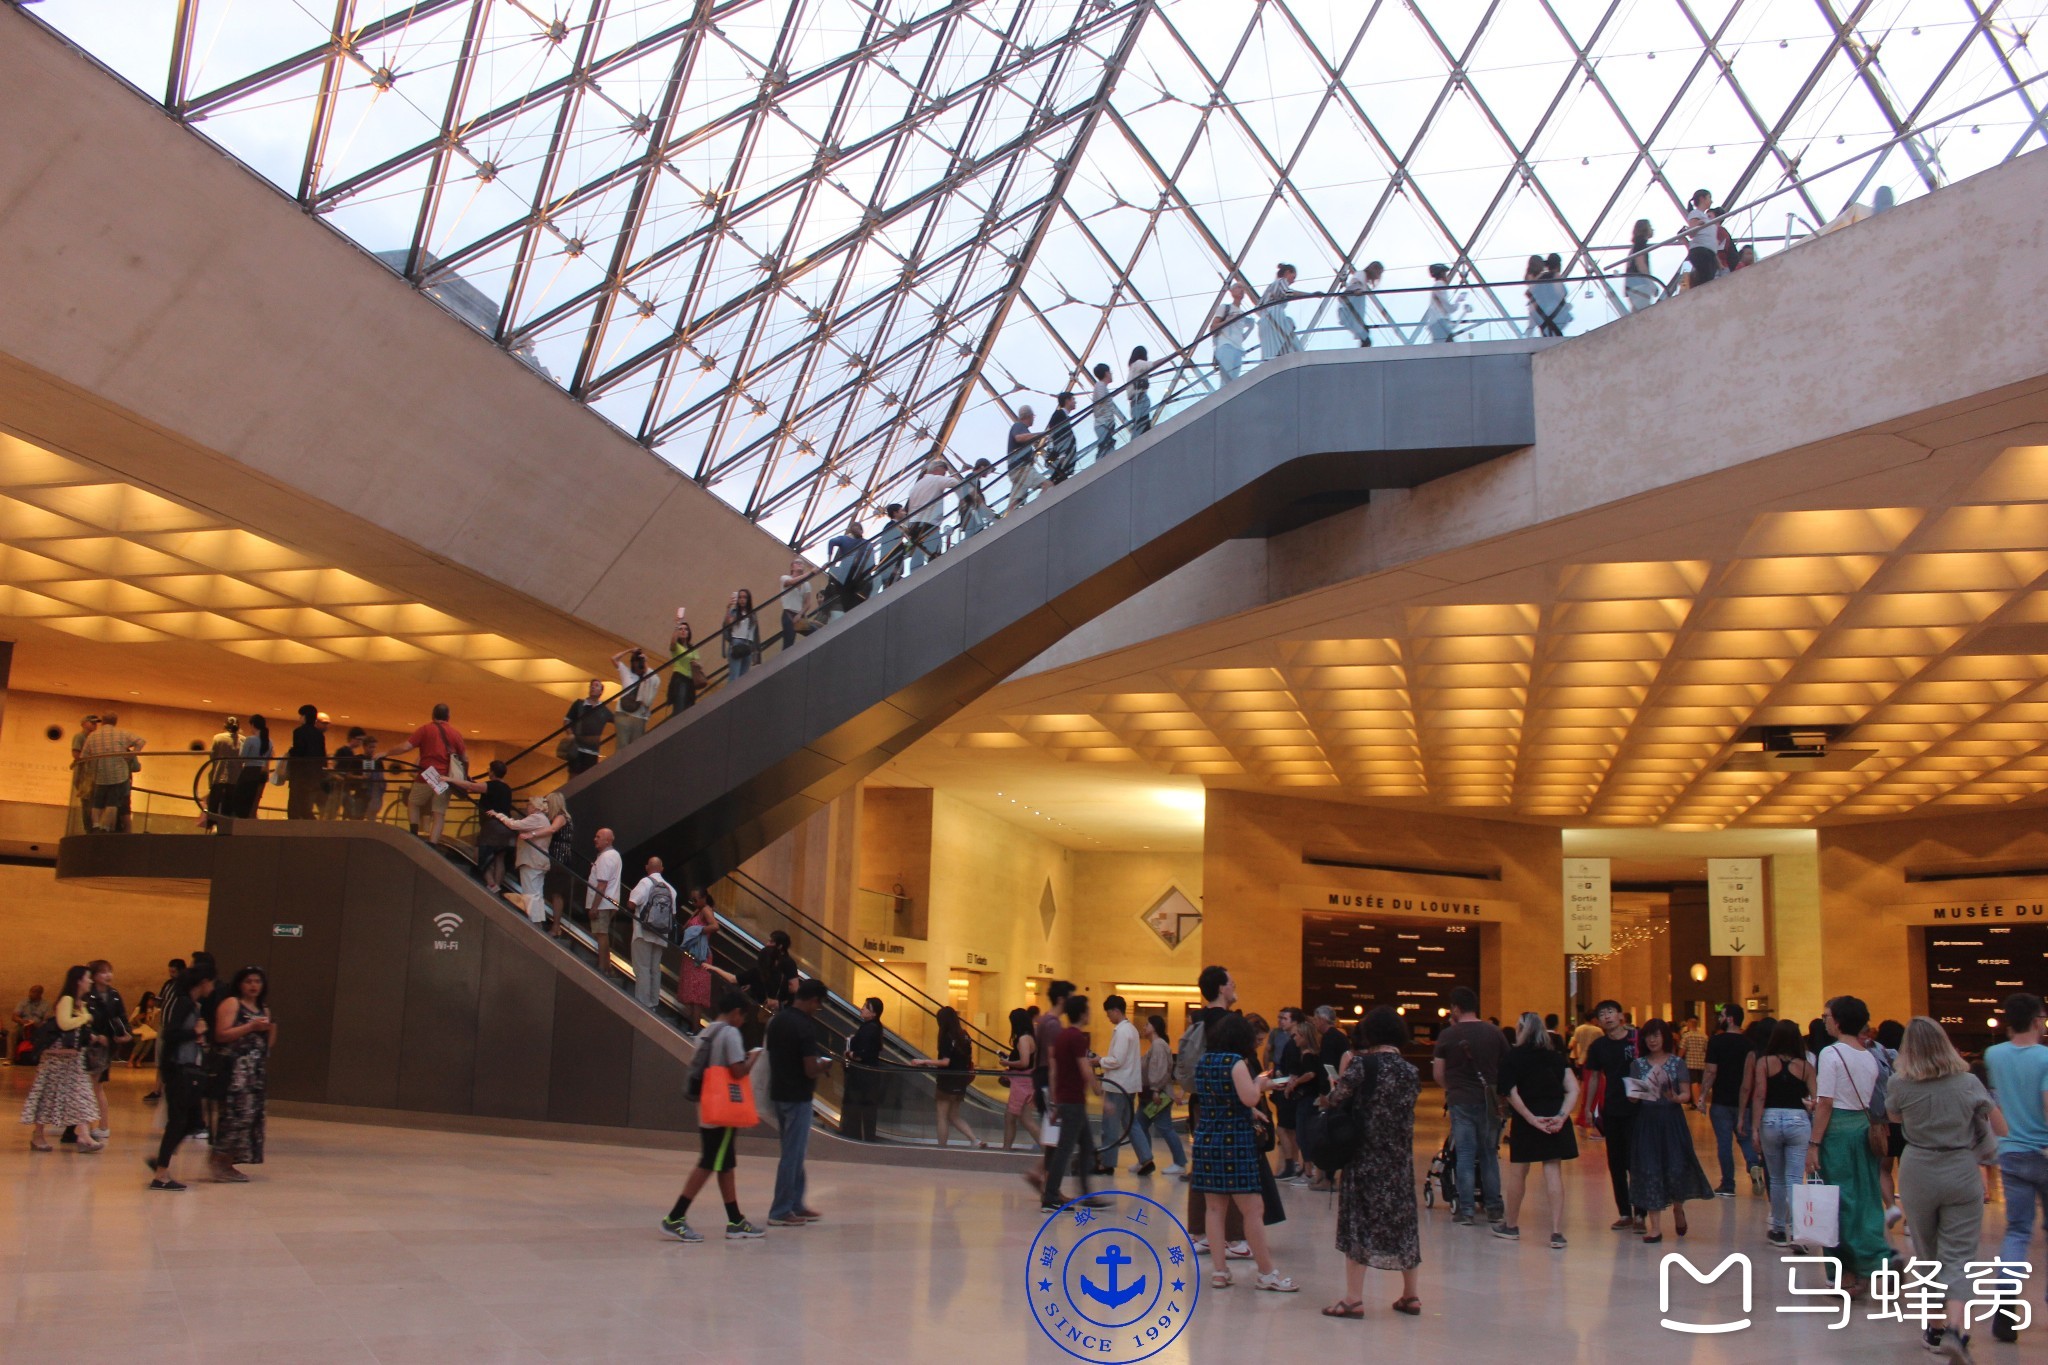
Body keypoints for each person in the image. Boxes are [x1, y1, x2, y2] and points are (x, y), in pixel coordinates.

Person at [1890, 1017, 2005, 1363]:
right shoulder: (1967, 1082)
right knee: (1959, 1255)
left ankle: (1935, 1328)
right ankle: (1955, 1328)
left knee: (1927, 1252)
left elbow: (1894, 1118)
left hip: (1918, 1168)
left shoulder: (1899, 1083)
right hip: (1960, 1167)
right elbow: (2001, 1126)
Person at [1324, 1004, 1420, 1317]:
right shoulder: (1411, 1071)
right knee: (1404, 1223)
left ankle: (1353, 1299)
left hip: (1364, 1157)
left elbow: (1337, 1099)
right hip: (1399, 1159)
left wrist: (1334, 1088)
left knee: (1358, 1223)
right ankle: (1411, 1295)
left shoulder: (1363, 1065)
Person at [1193, 1012, 1296, 1292]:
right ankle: (1266, 1272)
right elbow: (1249, 1096)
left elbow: (1219, 1099)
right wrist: (1260, 1084)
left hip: (1207, 1140)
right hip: (1234, 1143)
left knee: (1215, 1209)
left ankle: (1219, 1271)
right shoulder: (1235, 1062)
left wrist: (1249, 1103)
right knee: (1253, 1209)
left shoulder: (1204, 1061)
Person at [1805, 994, 1893, 1289]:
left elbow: (1827, 1103)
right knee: (1864, 1198)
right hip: (1863, 1129)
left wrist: (1814, 1144)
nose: (1824, 1021)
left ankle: (1848, 1273)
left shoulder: (1831, 1053)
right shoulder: (1868, 1055)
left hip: (1837, 1133)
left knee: (1836, 1202)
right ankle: (1871, 1261)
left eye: (1827, 1016)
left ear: (1839, 1021)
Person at [662, 992, 767, 1241]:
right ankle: (675, 1217)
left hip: (708, 1105)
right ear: (736, 1013)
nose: (743, 1022)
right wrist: (753, 1057)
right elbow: (738, 1071)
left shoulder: (706, 1032)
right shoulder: (730, 1033)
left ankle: (735, 1220)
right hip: (724, 1108)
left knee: (724, 1164)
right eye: (743, 1017)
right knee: (710, 1162)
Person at [1985, 992, 2048, 1343]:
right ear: (2037, 1020)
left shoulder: (1994, 1055)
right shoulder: (2045, 1058)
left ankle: (2006, 1308)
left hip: (2010, 1151)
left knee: (2018, 1231)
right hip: (2043, 1151)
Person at [1178, 965, 1248, 1255]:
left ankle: (1199, 1232)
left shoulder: (1197, 1021)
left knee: (1202, 1164)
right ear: (1221, 988)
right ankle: (1234, 1237)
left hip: (1201, 1099)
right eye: (1231, 981)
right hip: (1228, 1104)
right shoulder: (1230, 1023)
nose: (1234, 985)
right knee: (1233, 1165)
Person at [1498, 1012, 1579, 1247]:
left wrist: (1530, 1118)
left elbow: (1510, 1092)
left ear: (1521, 1030)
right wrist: (1562, 1116)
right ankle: (1556, 1231)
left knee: (1518, 1172)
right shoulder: (1555, 1057)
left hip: (1527, 1119)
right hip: (1553, 1118)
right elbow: (1573, 1089)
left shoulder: (1513, 1057)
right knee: (1553, 1171)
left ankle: (1511, 1225)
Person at [1628, 1018, 1712, 1242]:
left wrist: (1675, 1097)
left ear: (1664, 1037)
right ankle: (1655, 1228)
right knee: (1649, 1169)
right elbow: (1633, 1097)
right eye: (1648, 1036)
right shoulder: (1638, 1064)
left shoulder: (1677, 1063)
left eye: (1656, 1035)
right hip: (1647, 1122)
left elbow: (1686, 1094)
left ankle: (1678, 1207)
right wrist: (1634, 1095)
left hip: (1671, 1121)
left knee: (1675, 1167)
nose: (1652, 1040)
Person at [1431, 986, 1506, 1226]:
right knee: (1488, 1154)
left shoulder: (1447, 1035)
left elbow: (1438, 1073)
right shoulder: (1494, 1033)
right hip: (1489, 1101)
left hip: (1460, 1100)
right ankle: (1494, 1208)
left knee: (1464, 1154)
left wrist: (1452, 1088)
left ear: (1455, 1008)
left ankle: (1466, 1210)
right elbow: (1506, 1067)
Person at [765, 978, 833, 1226]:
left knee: (793, 1150)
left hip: (779, 1092)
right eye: (818, 1004)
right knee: (793, 1155)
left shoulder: (777, 1021)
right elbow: (809, 1068)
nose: (817, 1009)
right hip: (798, 1096)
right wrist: (824, 1065)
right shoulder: (804, 1026)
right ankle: (781, 1210)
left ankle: (796, 1203)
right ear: (813, 1000)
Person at [147, 961, 217, 1190]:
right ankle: (161, 1173)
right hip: (180, 1069)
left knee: (192, 1121)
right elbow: (171, 1034)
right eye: (211, 982)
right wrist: (195, 1032)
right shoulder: (184, 1003)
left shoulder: (191, 1004)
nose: (213, 987)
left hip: (186, 1068)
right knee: (178, 1121)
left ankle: (162, 1160)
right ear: (203, 982)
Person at [1749, 1018, 1816, 1245]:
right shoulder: (1806, 1067)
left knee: (1776, 1178)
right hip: (1798, 1120)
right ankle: (1798, 1232)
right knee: (1795, 1178)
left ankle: (1778, 1229)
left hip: (1770, 1118)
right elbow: (1815, 1099)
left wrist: (1755, 1128)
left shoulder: (1764, 1063)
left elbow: (1759, 1095)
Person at [21, 966, 102, 1151]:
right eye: (88, 978)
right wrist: (86, 1018)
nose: (90, 981)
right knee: (48, 1095)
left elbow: (78, 1028)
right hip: (57, 1059)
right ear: (78, 980)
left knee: (81, 1094)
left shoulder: (81, 1003)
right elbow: (64, 1024)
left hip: (74, 1058)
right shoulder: (67, 1000)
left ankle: (84, 1136)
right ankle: (38, 1135)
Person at [1582, 999, 1644, 1228]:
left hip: (1638, 1108)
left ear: (1620, 1015)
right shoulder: (1599, 1046)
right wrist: (1588, 1107)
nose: (1606, 1017)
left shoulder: (1636, 1039)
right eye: (1602, 1014)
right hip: (1612, 1108)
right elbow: (1594, 1077)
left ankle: (1641, 1212)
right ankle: (1625, 1212)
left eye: (1610, 1012)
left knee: (1635, 1161)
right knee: (1616, 1162)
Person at [1040, 994, 1105, 1210]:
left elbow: (1055, 1070)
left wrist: (1055, 1101)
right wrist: (1099, 1093)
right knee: (1065, 1149)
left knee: (1086, 1146)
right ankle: (1050, 1196)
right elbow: (1085, 1069)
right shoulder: (1077, 1038)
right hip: (1073, 1102)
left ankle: (1085, 1194)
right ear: (1083, 1013)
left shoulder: (1061, 1036)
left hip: (1067, 1100)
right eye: (1088, 1010)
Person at [208, 966, 272, 1182]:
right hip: (235, 1070)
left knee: (250, 1118)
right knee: (233, 1116)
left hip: (255, 1072)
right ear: (240, 984)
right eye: (249, 981)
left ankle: (230, 1162)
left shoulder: (263, 1009)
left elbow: (267, 1043)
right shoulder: (232, 1003)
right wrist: (250, 1027)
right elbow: (221, 1034)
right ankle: (219, 1161)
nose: (253, 986)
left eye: (257, 981)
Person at [1699, 1003, 1763, 1196]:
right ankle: (1753, 1165)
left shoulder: (1716, 1041)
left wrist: (1702, 1095)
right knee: (1745, 1137)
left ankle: (1728, 1184)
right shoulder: (1749, 1044)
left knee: (1724, 1143)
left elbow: (1711, 1071)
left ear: (1730, 1019)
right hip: (1744, 1101)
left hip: (1721, 1100)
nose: (1719, 1018)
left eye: (1722, 1015)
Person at [386, 703, 466, 845]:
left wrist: (386, 753)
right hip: (444, 778)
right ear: (448, 717)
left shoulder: (425, 730)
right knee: (438, 813)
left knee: (413, 802)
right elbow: (465, 759)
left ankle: (414, 832)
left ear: (432, 715)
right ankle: (432, 844)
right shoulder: (456, 734)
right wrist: (464, 778)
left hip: (426, 775)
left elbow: (405, 747)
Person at [1086, 994, 1141, 1173]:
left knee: (1110, 1125)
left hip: (1118, 1085)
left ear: (1116, 1011)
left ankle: (1107, 1163)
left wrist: (1099, 1061)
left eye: (1109, 1013)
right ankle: (1146, 1157)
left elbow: (1117, 1060)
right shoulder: (1131, 1029)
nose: (1108, 1017)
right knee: (1130, 1123)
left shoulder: (1122, 1031)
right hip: (1129, 1084)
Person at [919, 1005, 980, 1147]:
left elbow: (945, 1061)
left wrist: (924, 1061)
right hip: (961, 1080)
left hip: (947, 1080)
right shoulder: (965, 1035)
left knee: (942, 1116)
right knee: (954, 1115)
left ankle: (942, 1147)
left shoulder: (947, 1037)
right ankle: (975, 1140)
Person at [82, 959, 130, 1142]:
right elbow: (83, 1021)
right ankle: (86, 1126)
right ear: (94, 976)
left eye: (110, 971)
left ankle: (102, 1126)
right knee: (90, 1086)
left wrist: (126, 1034)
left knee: (97, 1085)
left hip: (105, 1047)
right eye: (103, 972)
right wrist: (94, 1035)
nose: (108, 975)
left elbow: (122, 1018)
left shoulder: (114, 995)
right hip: (89, 1045)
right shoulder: (87, 995)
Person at [1135, 1012, 1186, 1175]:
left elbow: (1160, 1069)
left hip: (1157, 1095)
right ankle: (1145, 1159)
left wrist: (1156, 1090)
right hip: (1148, 1094)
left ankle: (1179, 1162)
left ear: (1154, 1027)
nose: (1144, 1027)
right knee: (1140, 1126)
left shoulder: (1158, 1045)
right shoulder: (1156, 1045)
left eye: (1147, 1024)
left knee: (1165, 1128)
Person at [79, 710, 145, 832]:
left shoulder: (92, 736)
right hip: (118, 775)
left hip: (99, 775)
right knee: (112, 803)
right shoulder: (122, 734)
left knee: (97, 802)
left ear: (103, 721)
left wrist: (91, 767)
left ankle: (95, 825)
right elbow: (141, 741)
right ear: (115, 722)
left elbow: (84, 757)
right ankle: (106, 827)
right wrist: (131, 755)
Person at [493, 795, 554, 925]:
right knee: (537, 894)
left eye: (529, 805)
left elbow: (514, 825)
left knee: (530, 894)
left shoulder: (535, 818)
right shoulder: (544, 819)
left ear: (535, 806)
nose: (527, 807)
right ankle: (538, 923)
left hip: (531, 861)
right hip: (540, 861)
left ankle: (533, 923)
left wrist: (499, 815)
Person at [626, 857, 677, 1011]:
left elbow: (631, 904)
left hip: (643, 932)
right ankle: (653, 1004)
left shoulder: (645, 883)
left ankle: (642, 1004)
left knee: (642, 968)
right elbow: (673, 914)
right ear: (662, 869)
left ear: (647, 867)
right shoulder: (671, 889)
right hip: (661, 936)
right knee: (655, 969)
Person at [463, 760, 516, 893]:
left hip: (491, 826)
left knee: (479, 855)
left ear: (492, 772)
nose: (488, 771)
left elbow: (471, 786)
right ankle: (497, 887)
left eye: (489, 769)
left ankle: (492, 884)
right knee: (499, 858)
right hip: (506, 826)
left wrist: (448, 779)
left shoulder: (491, 786)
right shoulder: (507, 788)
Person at [841, 997, 886, 1142]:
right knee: (868, 1109)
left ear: (874, 1013)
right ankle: (867, 1136)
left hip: (861, 1075)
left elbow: (861, 1054)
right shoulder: (876, 1028)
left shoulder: (868, 1029)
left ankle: (854, 1135)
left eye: (866, 1007)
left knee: (856, 1105)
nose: (862, 1008)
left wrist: (849, 1053)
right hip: (870, 1074)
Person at [903, 462, 956, 571]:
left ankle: (915, 576)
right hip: (929, 524)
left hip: (913, 525)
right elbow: (954, 483)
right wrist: (952, 475)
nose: (944, 475)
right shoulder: (936, 479)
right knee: (935, 556)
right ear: (937, 468)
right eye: (944, 472)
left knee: (917, 555)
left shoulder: (916, 486)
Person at [584, 827, 622, 974]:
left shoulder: (606, 857)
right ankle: (607, 965)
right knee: (602, 933)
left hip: (602, 903)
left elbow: (602, 884)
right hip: (609, 901)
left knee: (601, 934)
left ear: (607, 840)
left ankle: (603, 967)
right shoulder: (614, 855)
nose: (595, 839)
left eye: (598, 837)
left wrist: (594, 907)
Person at [1001, 1006, 1040, 1150]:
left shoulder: (1023, 1039)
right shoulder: (1031, 1037)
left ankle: (1006, 1149)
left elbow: (1024, 1062)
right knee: (1026, 1119)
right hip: (1029, 1080)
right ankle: (1047, 1149)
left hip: (1021, 1083)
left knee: (1010, 1117)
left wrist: (1007, 1063)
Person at [282, 704, 326, 820]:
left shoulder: (299, 732)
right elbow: (322, 755)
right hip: (313, 775)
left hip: (299, 774)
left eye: (301, 716)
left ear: (304, 717)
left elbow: (298, 751)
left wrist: (291, 751)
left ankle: (293, 827)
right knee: (306, 806)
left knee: (294, 805)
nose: (299, 718)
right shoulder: (319, 735)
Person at [821, 524, 871, 622]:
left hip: (846, 573)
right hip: (856, 575)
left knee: (840, 592)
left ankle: (827, 613)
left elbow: (831, 542)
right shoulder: (864, 543)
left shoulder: (845, 539)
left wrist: (830, 561)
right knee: (849, 595)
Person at [611, 648, 659, 747]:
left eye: (639, 661)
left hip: (639, 716)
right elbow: (614, 659)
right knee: (622, 746)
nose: (637, 664)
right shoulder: (626, 671)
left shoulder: (648, 676)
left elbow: (655, 680)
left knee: (635, 747)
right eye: (635, 661)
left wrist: (645, 661)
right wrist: (629, 651)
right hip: (623, 713)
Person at [564, 679, 612, 775]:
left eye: (596, 685)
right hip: (577, 748)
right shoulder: (579, 704)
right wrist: (571, 735)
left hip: (592, 751)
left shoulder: (604, 710)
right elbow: (567, 720)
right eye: (591, 685)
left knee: (588, 777)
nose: (593, 687)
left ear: (601, 691)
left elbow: (616, 721)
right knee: (574, 775)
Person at [1208, 280, 1254, 381]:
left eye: (1243, 288)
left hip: (1238, 349)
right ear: (1231, 292)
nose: (1241, 290)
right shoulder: (1225, 308)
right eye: (1238, 287)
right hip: (1226, 346)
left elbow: (1240, 337)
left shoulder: (1242, 314)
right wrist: (1229, 320)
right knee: (1227, 380)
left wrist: (1250, 328)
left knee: (1233, 382)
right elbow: (1213, 327)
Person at [230, 713, 271, 819]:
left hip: (249, 771)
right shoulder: (270, 741)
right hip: (262, 773)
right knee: (254, 801)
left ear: (252, 725)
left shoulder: (250, 740)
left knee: (241, 798)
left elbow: (243, 757)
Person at [1256, 264, 1300, 360]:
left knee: (1271, 348)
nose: (1293, 281)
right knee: (1289, 342)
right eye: (1293, 277)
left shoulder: (1271, 287)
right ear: (1287, 272)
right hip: (1274, 314)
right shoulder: (1281, 281)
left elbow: (1258, 307)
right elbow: (1287, 292)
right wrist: (1310, 294)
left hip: (1264, 319)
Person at [1005, 406, 1044, 512]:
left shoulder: (1020, 428)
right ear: (1029, 416)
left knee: (1015, 502)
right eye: (1033, 416)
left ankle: (1008, 519)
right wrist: (1039, 435)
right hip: (1021, 468)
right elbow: (1019, 437)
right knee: (1047, 486)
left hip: (1015, 470)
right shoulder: (1019, 426)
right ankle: (1039, 509)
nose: (1033, 418)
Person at [747, 930, 799, 1010]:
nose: (767, 944)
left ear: (780, 946)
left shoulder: (788, 962)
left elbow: (794, 987)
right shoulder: (767, 957)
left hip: (772, 1003)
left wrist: (775, 986)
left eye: (771, 942)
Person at [204, 715, 240, 828]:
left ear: (225, 725)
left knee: (214, 803)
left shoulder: (217, 738)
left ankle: (211, 825)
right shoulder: (243, 740)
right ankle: (224, 827)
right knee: (228, 805)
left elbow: (212, 756)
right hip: (235, 776)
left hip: (218, 774)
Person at [667, 617, 707, 712]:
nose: (683, 631)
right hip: (680, 678)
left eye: (685, 629)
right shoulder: (676, 647)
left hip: (690, 680)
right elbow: (672, 643)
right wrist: (677, 625)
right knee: (680, 706)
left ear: (689, 632)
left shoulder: (692, 647)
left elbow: (698, 662)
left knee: (688, 707)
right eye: (681, 629)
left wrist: (697, 664)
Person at [1337, 260, 1381, 345]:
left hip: (1351, 311)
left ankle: (1364, 346)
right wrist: (1357, 290)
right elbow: (1355, 283)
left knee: (1364, 334)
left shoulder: (1363, 278)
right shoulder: (1361, 274)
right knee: (1364, 335)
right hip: (1349, 311)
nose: (1378, 275)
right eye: (1378, 272)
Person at [68, 713, 99, 829]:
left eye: (95, 723)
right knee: (87, 803)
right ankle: (89, 828)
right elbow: (76, 754)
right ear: (84, 724)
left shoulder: (92, 739)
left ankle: (91, 827)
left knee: (90, 802)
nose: (95, 725)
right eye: (92, 722)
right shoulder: (80, 737)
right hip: (84, 776)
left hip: (90, 775)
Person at [1685, 189, 1721, 286]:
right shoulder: (1695, 213)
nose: (1711, 201)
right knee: (1705, 280)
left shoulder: (1705, 216)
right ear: (1702, 199)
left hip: (1710, 252)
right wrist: (1698, 224)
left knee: (1707, 279)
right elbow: (1691, 233)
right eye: (1709, 198)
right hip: (1701, 250)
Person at [723, 589, 760, 682]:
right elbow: (727, 624)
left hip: (748, 644)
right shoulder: (735, 612)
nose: (742, 600)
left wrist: (756, 651)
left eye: (745, 597)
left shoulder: (752, 614)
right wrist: (728, 607)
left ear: (748, 599)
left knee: (744, 679)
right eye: (740, 597)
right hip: (736, 643)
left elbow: (755, 633)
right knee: (734, 677)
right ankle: (730, 692)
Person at [1088, 362, 1122, 459]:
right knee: (1106, 449)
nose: (1111, 374)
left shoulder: (1100, 386)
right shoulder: (1100, 386)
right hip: (1103, 424)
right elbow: (1102, 399)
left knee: (1106, 448)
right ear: (1106, 373)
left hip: (1104, 424)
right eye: (1110, 372)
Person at [777, 559, 813, 647]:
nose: (800, 564)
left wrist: (800, 614)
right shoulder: (785, 578)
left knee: (815, 633)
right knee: (789, 643)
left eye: (802, 563)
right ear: (792, 567)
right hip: (788, 614)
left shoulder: (806, 584)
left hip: (799, 616)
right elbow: (791, 582)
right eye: (797, 563)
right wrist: (810, 573)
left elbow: (808, 603)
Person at [1624, 218, 1658, 311]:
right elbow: (1640, 263)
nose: (1652, 229)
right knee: (1645, 313)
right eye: (1650, 227)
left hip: (1632, 286)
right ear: (1645, 229)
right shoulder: (1641, 243)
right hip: (1640, 285)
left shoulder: (1635, 245)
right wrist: (1651, 283)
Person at [1044, 393, 1079, 482]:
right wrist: (1062, 453)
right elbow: (1056, 435)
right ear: (1067, 401)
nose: (1075, 402)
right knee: (1059, 477)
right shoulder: (1059, 415)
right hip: (1061, 455)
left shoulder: (1061, 415)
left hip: (1061, 454)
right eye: (1073, 399)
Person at [10, 984, 48, 1065]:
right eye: (31, 991)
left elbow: (47, 1020)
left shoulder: (46, 1004)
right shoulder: (23, 1002)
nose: (31, 994)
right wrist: (21, 1021)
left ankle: (41, 1059)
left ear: (40, 993)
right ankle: (11, 1058)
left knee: (47, 1034)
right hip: (23, 1026)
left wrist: (36, 1024)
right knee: (13, 1033)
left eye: (34, 992)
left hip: (38, 1027)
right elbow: (14, 1016)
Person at [1422, 263, 1457, 342]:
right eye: (1445, 274)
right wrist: (1458, 302)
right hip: (1440, 322)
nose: (1446, 276)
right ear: (1442, 274)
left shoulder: (1436, 285)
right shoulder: (1440, 284)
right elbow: (1447, 307)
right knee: (1450, 346)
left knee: (1440, 345)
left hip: (1435, 323)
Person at [1125, 349, 1153, 437]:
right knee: (1143, 426)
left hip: (1134, 403)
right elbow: (1152, 365)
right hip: (1141, 399)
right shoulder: (1138, 364)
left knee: (1139, 426)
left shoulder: (1131, 369)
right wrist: (1175, 354)